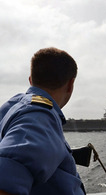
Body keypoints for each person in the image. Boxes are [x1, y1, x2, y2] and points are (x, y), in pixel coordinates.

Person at [0, 48, 85, 194]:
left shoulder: (11, 106)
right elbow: (6, 180)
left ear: (31, 80)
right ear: (70, 85)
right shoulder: (39, 115)